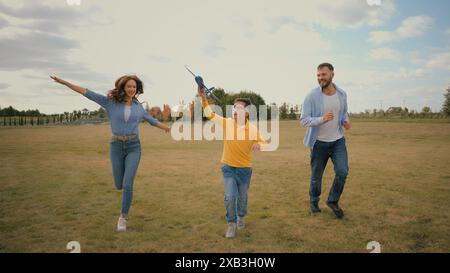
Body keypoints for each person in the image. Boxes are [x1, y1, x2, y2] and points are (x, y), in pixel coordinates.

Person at [50, 74, 171, 231]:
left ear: (137, 89)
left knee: (128, 184)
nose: (132, 89)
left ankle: (123, 218)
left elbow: (153, 121)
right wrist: (65, 83)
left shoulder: (139, 107)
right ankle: (122, 200)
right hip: (116, 146)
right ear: (123, 87)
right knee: (119, 184)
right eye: (129, 86)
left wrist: (168, 129)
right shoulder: (110, 102)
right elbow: (87, 93)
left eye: (134, 87)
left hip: (134, 146)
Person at [197, 86, 266, 238]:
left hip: (245, 170)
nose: (235, 111)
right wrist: (203, 97)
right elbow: (209, 113)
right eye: (234, 108)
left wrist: (259, 144)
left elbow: (265, 143)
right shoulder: (227, 123)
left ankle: (241, 216)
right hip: (228, 167)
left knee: (242, 198)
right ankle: (231, 224)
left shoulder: (253, 129)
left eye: (239, 108)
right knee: (230, 197)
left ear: (247, 112)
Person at [300, 63, 351, 219]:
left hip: (338, 141)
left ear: (332, 75)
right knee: (316, 176)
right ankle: (314, 201)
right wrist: (322, 119)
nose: (320, 78)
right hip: (319, 143)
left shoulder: (342, 94)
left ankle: (333, 200)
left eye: (323, 75)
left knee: (342, 172)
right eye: (318, 75)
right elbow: (303, 120)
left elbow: (344, 113)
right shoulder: (311, 96)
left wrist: (345, 121)